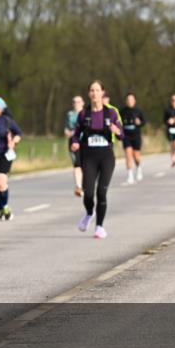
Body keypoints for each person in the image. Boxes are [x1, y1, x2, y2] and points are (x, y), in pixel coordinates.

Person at [71, 80, 123, 239]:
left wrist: (117, 130)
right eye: (92, 90)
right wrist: (74, 142)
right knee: (88, 193)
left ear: (102, 93)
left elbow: (122, 135)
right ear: (89, 94)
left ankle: (99, 227)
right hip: (89, 156)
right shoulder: (83, 114)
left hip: (106, 156)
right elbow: (76, 133)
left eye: (97, 90)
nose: (94, 93)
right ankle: (89, 213)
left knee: (101, 191)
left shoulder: (111, 113)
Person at [119, 93, 146, 184]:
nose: (130, 101)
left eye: (131, 100)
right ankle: (130, 175)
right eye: (128, 100)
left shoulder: (139, 111)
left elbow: (144, 122)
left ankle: (138, 168)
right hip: (126, 136)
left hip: (136, 136)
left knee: (136, 156)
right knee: (128, 155)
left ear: (134, 101)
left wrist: (139, 122)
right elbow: (118, 123)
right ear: (126, 101)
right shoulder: (122, 111)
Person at [64, 95, 85, 196]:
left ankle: (86, 185)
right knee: (77, 164)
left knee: (85, 164)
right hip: (73, 142)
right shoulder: (70, 114)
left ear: (83, 103)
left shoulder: (86, 113)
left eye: (78, 102)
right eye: (74, 102)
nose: (76, 104)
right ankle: (78, 186)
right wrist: (68, 133)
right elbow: (66, 128)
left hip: (85, 142)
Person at [164, 94, 175, 167]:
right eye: (173, 100)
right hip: (170, 130)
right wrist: (168, 121)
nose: (174, 102)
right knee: (172, 145)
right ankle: (174, 158)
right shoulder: (168, 110)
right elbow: (164, 120)